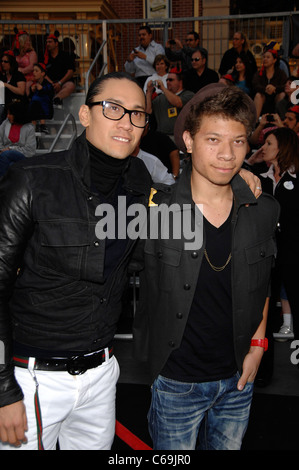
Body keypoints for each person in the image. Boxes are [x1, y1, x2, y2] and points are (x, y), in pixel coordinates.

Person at [0, 72, 152, 450]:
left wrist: (233, 178)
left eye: (137, 114)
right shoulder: (32, 180)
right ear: (85, 115)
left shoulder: (137, 178)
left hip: (101, 373)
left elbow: (183, 202)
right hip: (31, 378)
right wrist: (3, 389)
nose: (126, 123)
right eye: (113, 109)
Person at [133, 84, 279, 450]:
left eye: (239, 142)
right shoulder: (154, 212)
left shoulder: (264, 210)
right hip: (176, 382)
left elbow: (262, 282)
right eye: (213, 139)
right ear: (188, 140)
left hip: (238, 380)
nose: (227, 155)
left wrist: (259, 345)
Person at [257, 127, 299, 383]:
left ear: (282, 147)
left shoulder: (296, 178)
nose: (264, 147)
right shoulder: (257, 178)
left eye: (269, 143)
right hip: (266, 256)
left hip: (294, 254)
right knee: (264, 314)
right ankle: (262, 370)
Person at [145, 67, 194, 140]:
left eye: (171, 80)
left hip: (180, 137)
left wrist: (163, 89)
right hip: (161, 137)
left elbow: (178, 103)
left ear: (180, 82)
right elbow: (148, 110)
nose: (168, 82)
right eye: (167, 80)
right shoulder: (161, 97)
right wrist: (149, 92)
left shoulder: (189, 95)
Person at [0, 100, 36, 177]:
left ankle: (1, 182)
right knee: (10, 165)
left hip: (22, 156)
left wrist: (10, 149)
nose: (7, 116)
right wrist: (2, 150)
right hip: (4, 156)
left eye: (10, 114)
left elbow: (30, 151)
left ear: (17, 114)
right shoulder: (5, 124)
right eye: (7, 113)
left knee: (7, 154)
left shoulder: (29, 128)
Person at [252, 49, 287, 120]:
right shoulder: (259, 73)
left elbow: (285, 86)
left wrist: (275, 88)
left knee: (282, 95)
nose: (265, 59)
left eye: (268, 57)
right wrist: (266, 89)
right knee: (258, 95)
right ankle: (254, 123)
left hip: (275, 98)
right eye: (264, 57)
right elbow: (255, 85)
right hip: (263, 99)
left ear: (274, 60)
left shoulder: (280, 73)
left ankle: (280, 121)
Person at [44, 33, 76, 106]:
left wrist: (60, 83)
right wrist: (52, 84)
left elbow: (70, 71)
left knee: (70, 86)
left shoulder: (65, 55)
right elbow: (42, 73)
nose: (48, 44)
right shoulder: (45, 57)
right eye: (47, 42)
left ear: (56, 43)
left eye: (50, 42)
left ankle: (57, 98)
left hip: (64, 82)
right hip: (50, 83)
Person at [28, 63, 54, 134]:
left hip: (46, 108)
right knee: (33, 102)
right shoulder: (34, 84)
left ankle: (43, 125)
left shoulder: (47, 84)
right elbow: (30, 96)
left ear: (42, 73)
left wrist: (42, 89)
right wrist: (32, 90)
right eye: (33, 71)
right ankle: (33, 126)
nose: (34, 73)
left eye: (36, 71)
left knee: (37, 101)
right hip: (36, 107)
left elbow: (50, 92)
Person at [0, 51, 26, 119]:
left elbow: (21, 91)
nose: (3, 63)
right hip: (5, 105)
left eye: (5, 61)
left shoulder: (18, 75)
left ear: (11, 63)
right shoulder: (3, 77)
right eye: (2, 61)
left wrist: (6, 85)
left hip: (17, 104)